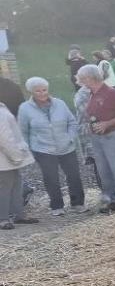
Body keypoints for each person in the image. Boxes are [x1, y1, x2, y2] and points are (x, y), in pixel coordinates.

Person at [18, 77, 86, 215]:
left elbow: (72, 122)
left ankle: (78, 203)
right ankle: (57, 206)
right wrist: (28, 149)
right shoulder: (25, 108)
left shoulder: (60, 103)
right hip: (43, 149)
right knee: (51, 178)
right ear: (31, 92)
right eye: (38, 91)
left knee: (73, 175)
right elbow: (23, 131)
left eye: (44, 90)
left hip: (66, 146)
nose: (42, 93)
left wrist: (70, 138)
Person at [76, 64, 115, 212]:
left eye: (82, 79)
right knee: (103, 169)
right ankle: (112, 197)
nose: (81, 82)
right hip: (97, 136)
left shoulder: (111, 93)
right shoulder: (92, 94)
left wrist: (107, 123)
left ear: (90, 78)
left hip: (113, 134)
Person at [0, 102, 39, 230]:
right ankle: (3, 219)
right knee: (4, 188)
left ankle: (19, 214)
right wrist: (15, 156)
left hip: (8, 158)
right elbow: (5, 138)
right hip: (5, 158)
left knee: (16, 185)